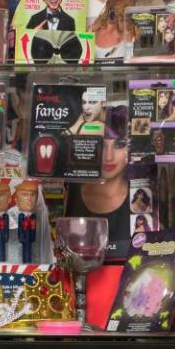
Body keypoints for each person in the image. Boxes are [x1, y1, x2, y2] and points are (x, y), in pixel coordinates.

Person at [66, 105, 131, 257]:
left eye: (119, 145)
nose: (108, 156)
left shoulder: (143, 196)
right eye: (101, 144)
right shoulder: (69, 190)